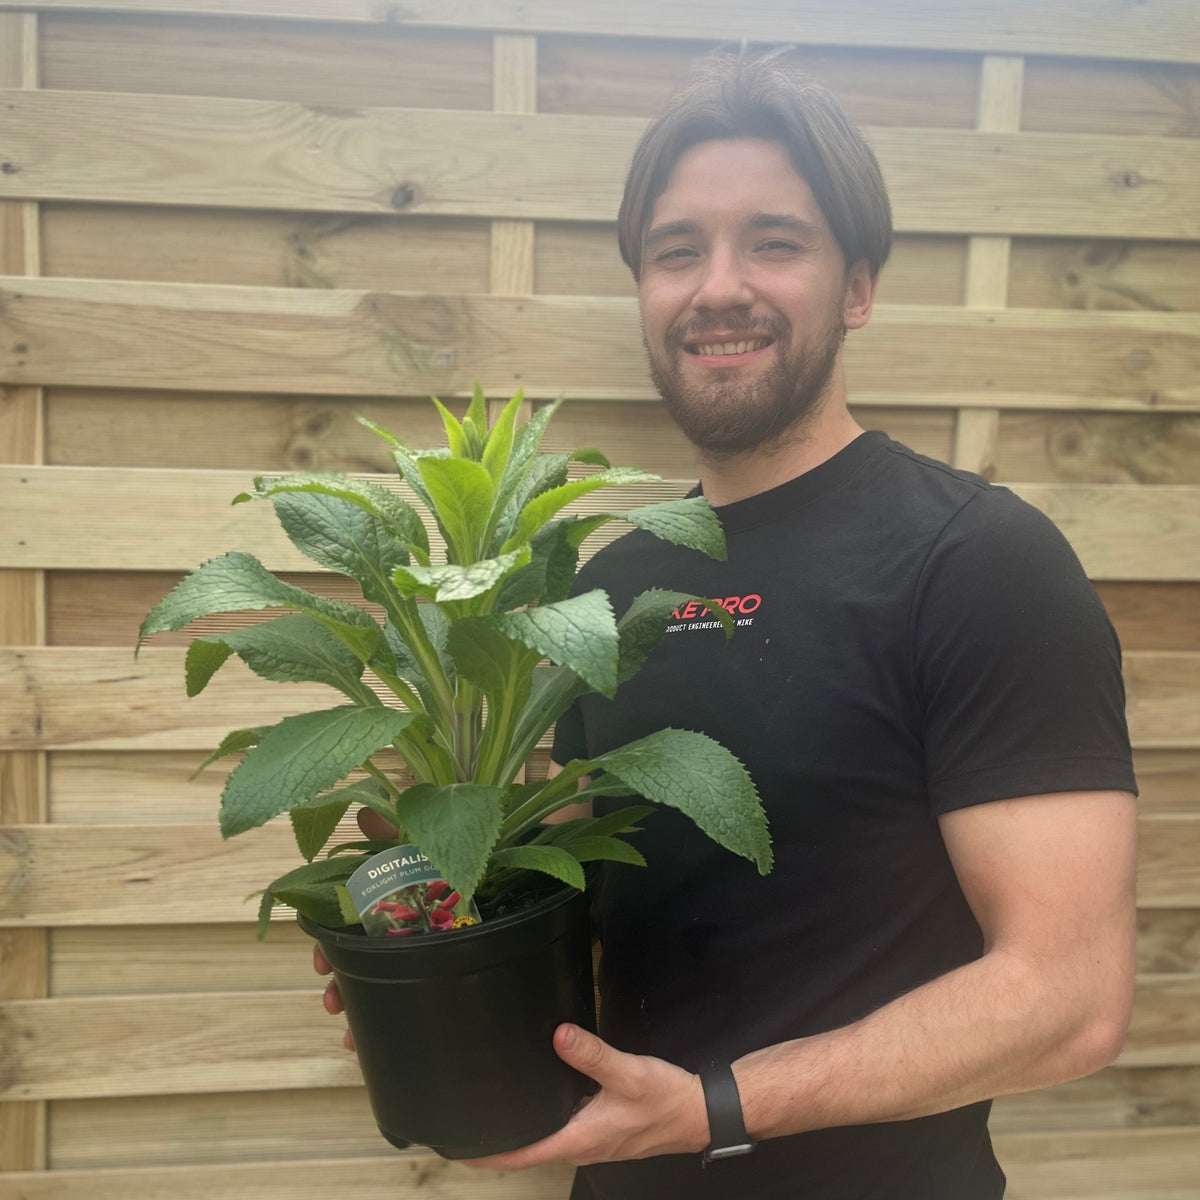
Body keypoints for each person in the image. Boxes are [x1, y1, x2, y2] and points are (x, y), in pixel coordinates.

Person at [318, 53, 1138, 1199]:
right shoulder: (607, 591)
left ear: (858, 286)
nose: (718, 287)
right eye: (676, 251)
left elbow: (1069, 999)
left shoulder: (978, 560)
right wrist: (436, 945)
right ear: (644, 293)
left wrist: (715, 1109)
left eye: (774, 242)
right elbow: (583, 912)